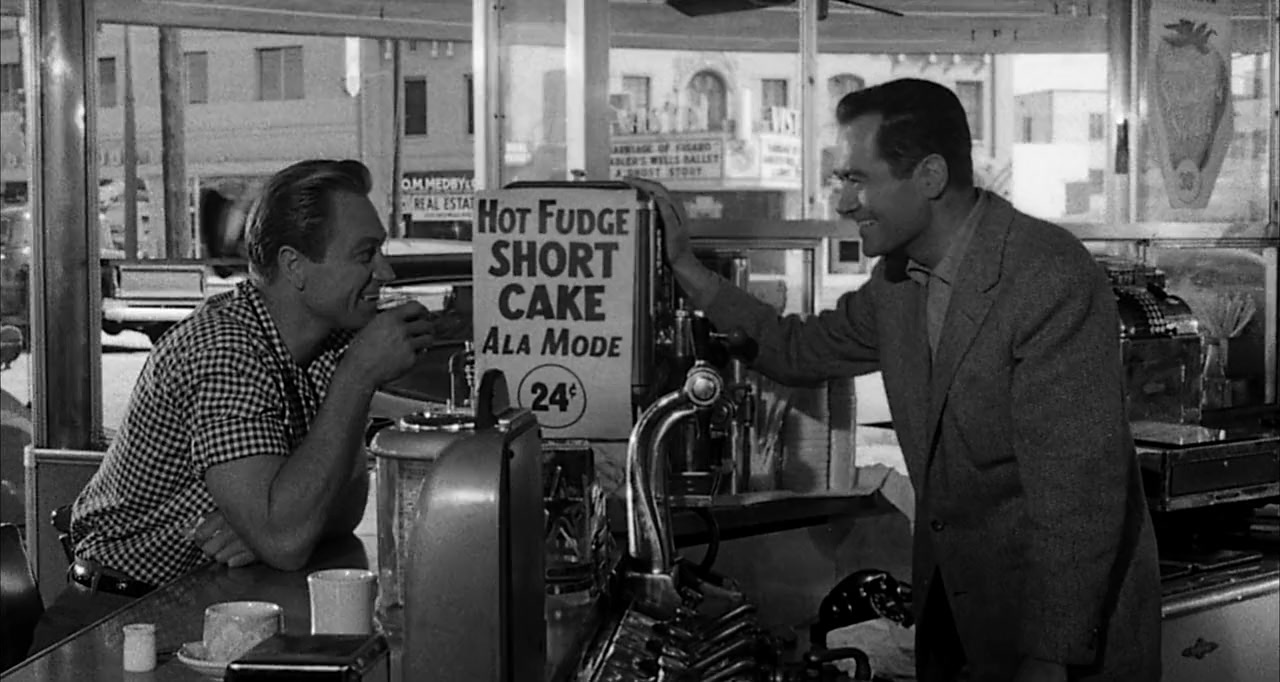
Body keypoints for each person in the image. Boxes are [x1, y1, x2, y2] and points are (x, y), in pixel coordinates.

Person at [628, 78, 1160, 682]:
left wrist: (1048, 659)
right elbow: (796, 349)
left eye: (856, 179)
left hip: (1062, 649)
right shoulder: (898, 283)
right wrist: (685, 267)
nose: (842, 203)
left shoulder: (1048, 276)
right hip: (964, 632)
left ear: (929, 177)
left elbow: (1078, 498)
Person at [30, 159, 434, 650]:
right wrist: (358, 377)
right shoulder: (226, 349)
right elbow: (287, 542)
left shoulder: (321, 347)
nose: (385, 272)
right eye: (366, 254)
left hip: (196, 606)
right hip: (115, 622)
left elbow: (339, 509)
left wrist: (265, 529)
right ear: (294, 266)